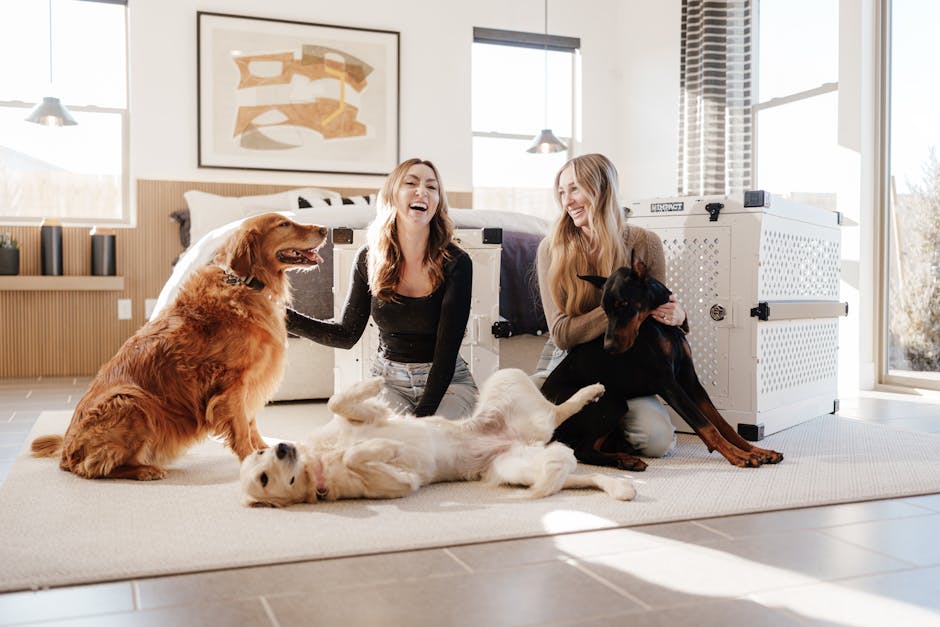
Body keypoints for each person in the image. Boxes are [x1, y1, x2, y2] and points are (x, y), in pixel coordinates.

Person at [286, 158, 477, 419]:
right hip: (388, 382)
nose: (422, 191)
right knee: (390, 446)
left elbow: (446, 351)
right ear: (392, 194)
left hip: (449, 383)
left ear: (438, 202)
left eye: (432, 187)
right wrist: (280, 315)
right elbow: (346, 334)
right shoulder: (369, 258)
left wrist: (423, 423)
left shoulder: (457, 262)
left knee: (433, 446)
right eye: (411, 183)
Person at [534, 153, 687, 457]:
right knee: (527, 424)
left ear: (602, 188)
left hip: (626, 362)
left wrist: (679, 316)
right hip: (568, 359)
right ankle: (596, 420)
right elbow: (562, 334)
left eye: (575, 189)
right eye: (562, 193)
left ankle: (606, 422)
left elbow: (655, 314)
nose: (567, 201)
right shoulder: (551, 249)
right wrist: (620, 305)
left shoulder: (645, 242)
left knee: (657, 442)